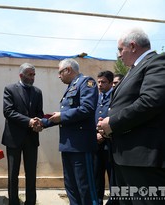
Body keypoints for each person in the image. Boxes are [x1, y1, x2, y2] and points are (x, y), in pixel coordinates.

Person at [97, 28, 165, 205]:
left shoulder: (156, 62)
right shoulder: (134, 69)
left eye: (120, 50)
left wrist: (113, 122)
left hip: (142, 159)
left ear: (133, 46)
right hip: (124, 157)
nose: (119, 55)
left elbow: (151, 101)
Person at [40, 58, 98, 205]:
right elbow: (64, 117)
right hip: (68, 145)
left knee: (85, 188)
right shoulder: (72, 86)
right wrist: (42, 122)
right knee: (71, 187)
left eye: (60, 72)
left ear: (68, 70)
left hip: (81, 146)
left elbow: (87, 109)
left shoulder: (86, 83)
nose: (59, 76)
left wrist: (61, 116)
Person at [2, 63, 44, 205]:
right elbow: (8, 112)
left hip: (31, 139)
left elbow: (39, 112)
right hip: (13, 138)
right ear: (21, 75)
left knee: (31, 174)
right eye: (30, 75)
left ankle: (30, 202)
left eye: (34, 74)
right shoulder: (10, 89)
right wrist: (29, 121)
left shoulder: (37, 92)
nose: (33, 77)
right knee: (13, 174)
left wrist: (39, 122)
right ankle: (13, 201)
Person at [94, 70, 115, 205]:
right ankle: (97, 201)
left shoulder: (115, 97)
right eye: (99, 82)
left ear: (111, 83)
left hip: (110, 144)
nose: (100, 85)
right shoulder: (97, 97)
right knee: (97, 176)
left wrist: (102, 133)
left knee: (112, 177)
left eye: (103, 82)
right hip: (96, 144)